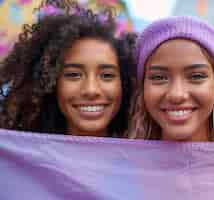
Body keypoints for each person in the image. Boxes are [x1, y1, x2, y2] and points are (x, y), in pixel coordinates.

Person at [0, 0, 136, 137]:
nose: (91, 90)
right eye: (73, 75)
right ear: (50, 84)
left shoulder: (146, 156)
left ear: (124, 83)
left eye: (107, 75)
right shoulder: (16, 155)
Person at [127, 16, 214, 142]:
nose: (177, 95)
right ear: (142, 88)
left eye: (196, 76)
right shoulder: (121, 160)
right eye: (159, 77)